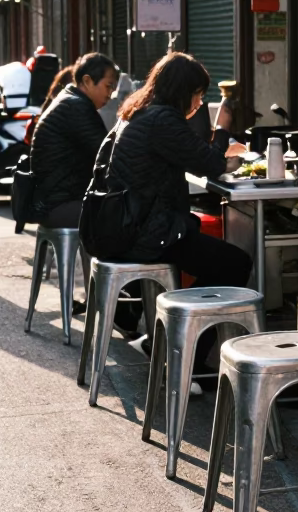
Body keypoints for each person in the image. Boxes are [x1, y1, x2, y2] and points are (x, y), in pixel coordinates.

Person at [95, 52, 251, 369]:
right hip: (148, 234)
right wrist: (222, 128)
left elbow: (191, 155)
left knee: (217, 262)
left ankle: (169, 341)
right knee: (236, 263)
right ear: (184, 91)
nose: (198, 101)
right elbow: (210, 164)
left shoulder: (139, 112)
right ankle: (182, 351)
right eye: (197, 94)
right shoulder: (162, 119)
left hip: (128, 225)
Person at [30, 54, 116, 282]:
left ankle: (102, 296)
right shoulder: (77, 107)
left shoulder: (70, 100)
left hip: (54, 199)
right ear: (87, 81)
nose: (110, 94)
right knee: (122, 215)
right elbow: (107, 156)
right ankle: (109, 297)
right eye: (108, 86)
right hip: (58, 204)